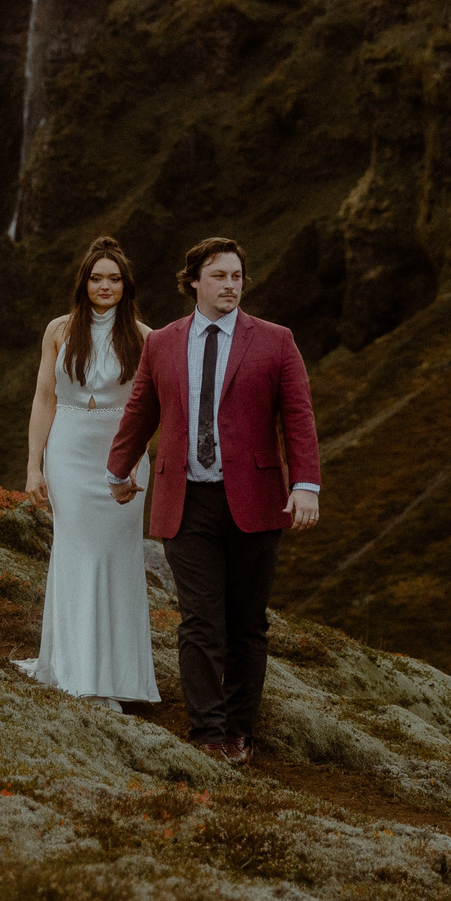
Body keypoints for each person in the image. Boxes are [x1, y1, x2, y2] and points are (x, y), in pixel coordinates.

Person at [105, 236, 320, 763]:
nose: (230, 285)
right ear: (194, 281)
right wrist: (117, 468)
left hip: (256, 501)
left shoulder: (275, 340)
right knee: (200, 621)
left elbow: (298, 417)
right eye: (219, 276)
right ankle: (208, 734)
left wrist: (306, 485)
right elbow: (140, 410)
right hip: (186, 499)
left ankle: (240, 729)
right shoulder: (162, 343)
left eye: (237, 276)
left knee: (247, 625)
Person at [16, 237, 163, 705]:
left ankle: (118, 676)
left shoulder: (143, 336)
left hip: (122, 454)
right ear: (84, 282)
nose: (105, 286)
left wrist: (149, 462)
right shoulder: (59, 331)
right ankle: (77, 671)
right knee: (77, 552)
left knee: (119, 558)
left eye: (114, 279)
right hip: (70, 450)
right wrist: (33, 465)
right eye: (97, 278)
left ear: (126, 285)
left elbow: (156, 407)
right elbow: (44, 397)